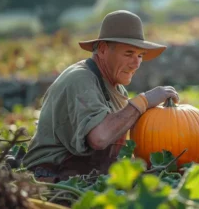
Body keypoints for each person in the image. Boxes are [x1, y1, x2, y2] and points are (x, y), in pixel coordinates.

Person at [23, 10, 180, 182]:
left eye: (140, 55)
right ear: (103, 50)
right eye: (129, 53)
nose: (136, 64)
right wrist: (144, 101)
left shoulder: (118, 90)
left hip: (86, 179)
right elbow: (99, 138)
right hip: (51, 180)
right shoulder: (81, 79)